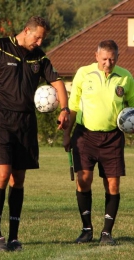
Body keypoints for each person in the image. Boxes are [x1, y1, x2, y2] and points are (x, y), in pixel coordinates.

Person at [0, 16, 70, 252]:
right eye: (37, 36)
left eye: (43, 38)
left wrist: (64, 108)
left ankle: (13, 237)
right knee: (2, 174)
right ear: (26, 30)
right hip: (1, 120)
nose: (40, 41)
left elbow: (58, 82)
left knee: (18, 180)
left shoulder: (39, 56)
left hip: (26, 123)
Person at [63, 40, 134, 245]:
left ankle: (106, 233)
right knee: (83, 179)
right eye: (104, 59)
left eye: (112, 59)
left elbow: (132, 107)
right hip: (85, 135)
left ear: (117, 58)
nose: (108, 63)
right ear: (96, 57)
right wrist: (66, 134)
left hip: (113, 137)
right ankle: (86, 230)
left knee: (112, 184)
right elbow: (73, 106)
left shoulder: (125, 77)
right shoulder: (83, 74)